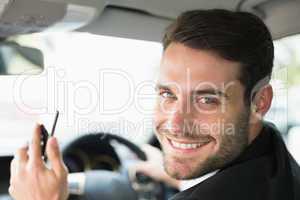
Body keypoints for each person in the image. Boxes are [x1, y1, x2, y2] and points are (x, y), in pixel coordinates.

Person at [9, 9, 300, 200]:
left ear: (260, 102)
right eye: (167, 94)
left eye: (207, 99)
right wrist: (180, 176)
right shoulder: (271, 160)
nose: (175, 123)